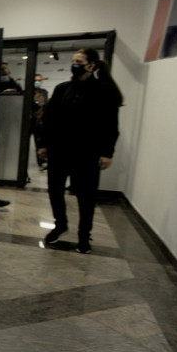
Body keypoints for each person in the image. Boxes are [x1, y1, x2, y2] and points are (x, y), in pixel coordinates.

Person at [37, 48, 122, 254]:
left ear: (91, 65)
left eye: (79, 61)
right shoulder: (62, 88)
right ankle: (60, 224)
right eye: (73, 61)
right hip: (59, 150)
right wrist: (43, 144)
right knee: (55, 190)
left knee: (86, 196)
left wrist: (107, 153)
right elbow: (49, 119)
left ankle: (84, 235)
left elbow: (110, 125)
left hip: (87, 152)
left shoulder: (104, 90)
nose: (74, 65)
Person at [31, 73, 49, 171]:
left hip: (41, 122)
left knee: (40, 143)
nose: (37, 82)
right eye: (35, 80)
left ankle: (42, 162)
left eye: (39, 80)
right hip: (30, 121)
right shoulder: (29, 93)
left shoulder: (44, 92)